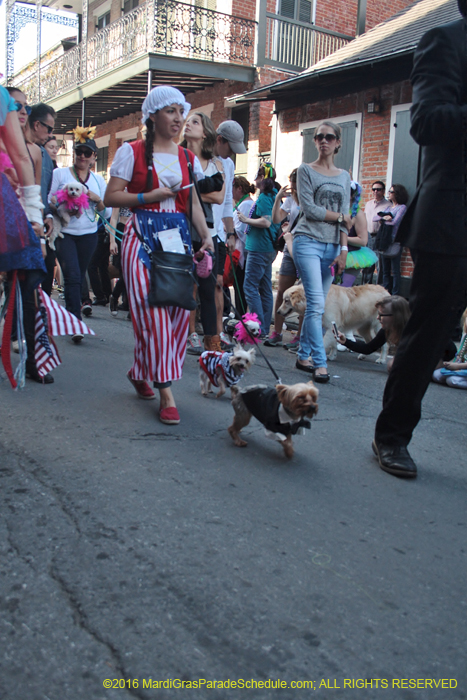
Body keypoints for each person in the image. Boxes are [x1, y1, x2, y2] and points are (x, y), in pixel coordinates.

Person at [373, 0, 467, 478]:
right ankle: (391, 436)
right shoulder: (446, 40)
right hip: (453, 219)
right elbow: (427, 121)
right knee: (428, 336)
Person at [104, 85, 214, 425]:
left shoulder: (188, 159)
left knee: (180, 313)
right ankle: (166, 391)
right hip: (140, 237)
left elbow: (193, 202)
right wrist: (146, 196)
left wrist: (207, 235)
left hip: (177, 239)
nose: (179, 119)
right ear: (152, 116)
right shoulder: (131, 151)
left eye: (181, 112)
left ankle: (141, 370)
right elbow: (110, 197)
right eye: (171, 112)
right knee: (151, 312)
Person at [292, 121, 351, 383]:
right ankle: (320, 362)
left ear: (338, 142)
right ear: (314, 141)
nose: (323, 141)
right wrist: (340, 217)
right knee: (316, 305)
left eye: (329, 137)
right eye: (319, 137)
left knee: (316, 306)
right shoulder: (306, 170)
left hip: (332, 248)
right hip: (307, 241)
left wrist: (344, 248)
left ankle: (303, 354)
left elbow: (347, 216)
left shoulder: (344, 176)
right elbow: (311, 210)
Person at [0, 86, 47, 386]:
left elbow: (36, 186)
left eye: (25, 107)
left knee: (27, 290)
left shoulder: (34, 152)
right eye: (15, 104)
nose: (21, 111)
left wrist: (37, 219)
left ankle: (32, 360)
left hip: (14, 224)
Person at [49, 126, 110, 338]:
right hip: (64, 233)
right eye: (79, 152)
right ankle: (75, 322)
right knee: (73, 276)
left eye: (87, 153)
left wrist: (97, 199)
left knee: (79, 275)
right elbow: (50, 200)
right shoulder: (60, 173)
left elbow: (106, 211)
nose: (82, 157)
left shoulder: (98, 180)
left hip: (88, 235)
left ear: (94, 157)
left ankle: (71, 314)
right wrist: (60, 206)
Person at [181, 111, 225, 354]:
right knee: (181, 287)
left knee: (209, 289)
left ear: (205, 131)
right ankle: (182, 337)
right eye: (186, 122)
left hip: (206, 232)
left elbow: (219, 197)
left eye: (194, 122)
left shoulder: (216, 163)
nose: (188, 125)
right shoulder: (177, 156)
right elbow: (178, 192)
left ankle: (213, 345)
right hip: (177, 230)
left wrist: (191, 192)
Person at [237, 163, 280, 339]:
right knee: (264, 287)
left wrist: (246, 220)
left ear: (262, 179)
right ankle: (263, 328)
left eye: (257, 176)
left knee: (250, 286)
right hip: (267, 248)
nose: (254, 179)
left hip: (259, 248)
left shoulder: (263, 198)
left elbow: (266, 222)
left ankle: (258, 327)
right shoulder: (274, 195)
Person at [214, 120, 246, 348]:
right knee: (194, 287)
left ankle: (216, 333)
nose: (231, 154)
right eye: (230, 148)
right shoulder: (200, 158)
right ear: (219, 140)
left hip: (217, 232)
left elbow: (227, 202)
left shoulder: (228, 164)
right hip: (197, 229)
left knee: (218, 284)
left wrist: (230, 233)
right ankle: (191, 333)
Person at [264, 168, 303, 349]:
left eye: (296, 184)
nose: (294, 188)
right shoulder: (291, 199)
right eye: (292, 184)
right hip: (289, 245)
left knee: (304, 294)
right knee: (282, 291)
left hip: (306, 248)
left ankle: (300, 336)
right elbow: (276, 218)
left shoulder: (312, 198)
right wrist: (279, 197)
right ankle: (277, 333)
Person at [337, 295, 410, 372]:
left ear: (395, 317)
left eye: (381, 315)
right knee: (393, 366)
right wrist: (345, 341)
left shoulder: (412, 333)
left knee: (394, 365)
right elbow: (368, 348)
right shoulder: (387, 329)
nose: (377, 318)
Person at [28, 103, 57, 297]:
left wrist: (46, 214)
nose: (50, 133)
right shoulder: (13, 148)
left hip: (38, 224)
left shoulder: (44, 156)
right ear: (37, 124)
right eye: (49, 128)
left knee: (38, 284)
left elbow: (41, 191)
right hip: (16, 224)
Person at [373, 183, 408, 296]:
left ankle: (395, 294)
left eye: (391, 192)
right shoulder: (388, 207)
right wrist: (384, 217)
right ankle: (386, 292)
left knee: (396, 269)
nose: (389, 193)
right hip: (384, 240)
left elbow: (395, 221)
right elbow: (375, 217)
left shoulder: (401, 207)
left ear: (397, 194)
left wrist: (386, 219)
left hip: (394, 240)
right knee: (385, 270)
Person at [230, 175, 256, 315]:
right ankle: (240, 315)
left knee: (240, 286)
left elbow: (240, 229)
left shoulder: (246, 205)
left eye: (232, 189)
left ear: (239, 188)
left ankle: (242, 316)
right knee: (238, 285)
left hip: (242, 252)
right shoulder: (242, 203)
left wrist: (227, 228)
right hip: (240, 251)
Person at [432, 311, 467, 389]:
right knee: (436, 375)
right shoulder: (465, 335)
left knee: (452, 380)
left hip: (463, 367)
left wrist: (458, 366)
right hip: (461, 367)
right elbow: (460, 354)